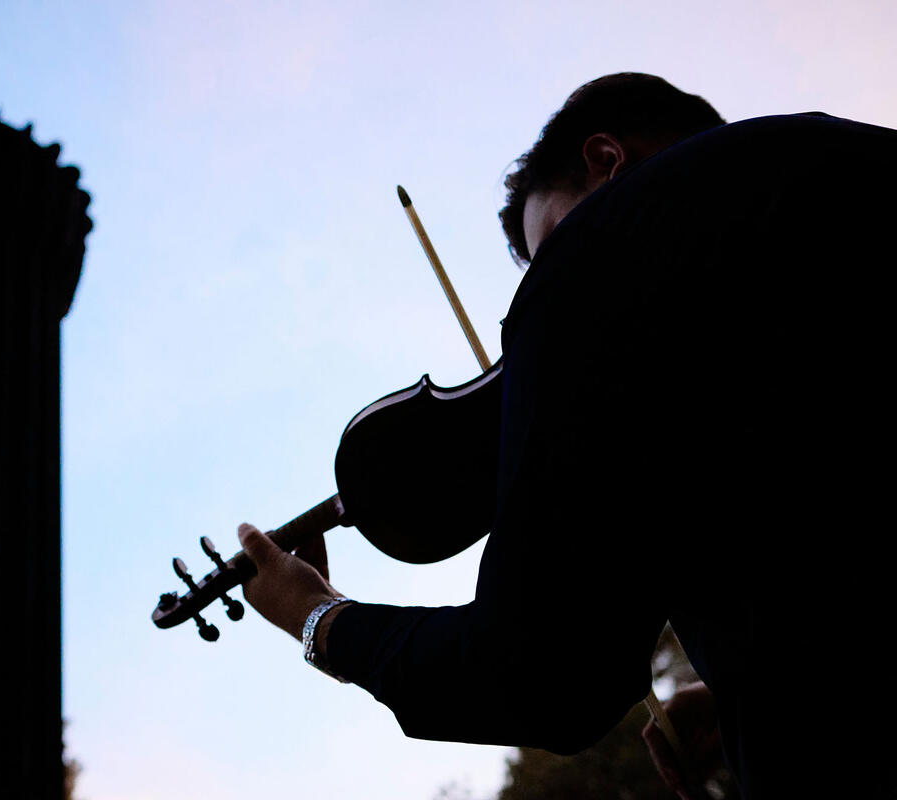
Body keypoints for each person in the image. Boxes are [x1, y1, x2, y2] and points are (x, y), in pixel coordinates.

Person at [236, 73, 896, 799]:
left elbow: (541, 679)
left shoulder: (604, 244)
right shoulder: (825, 163)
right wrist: (746, 681)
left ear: (607, 161)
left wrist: (320, 618)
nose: (546, 281)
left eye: (546, 245)